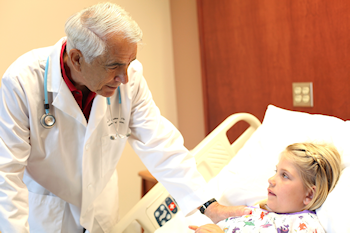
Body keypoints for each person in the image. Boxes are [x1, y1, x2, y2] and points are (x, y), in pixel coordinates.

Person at [0, 2, 248, 232]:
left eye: (130, 63)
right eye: (113, 66)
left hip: (100, 204)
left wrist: (208, 205)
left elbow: (159, 143)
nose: (125, 78)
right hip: (47, 210)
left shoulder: (130, 78)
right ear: (77, 59)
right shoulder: (23, 81)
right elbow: (6, 173)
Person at [189, 142, 342, 233]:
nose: (271, 180)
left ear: (309, 194)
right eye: (276, 172)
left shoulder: (304, 225)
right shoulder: (255, 211)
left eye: (285, 175)